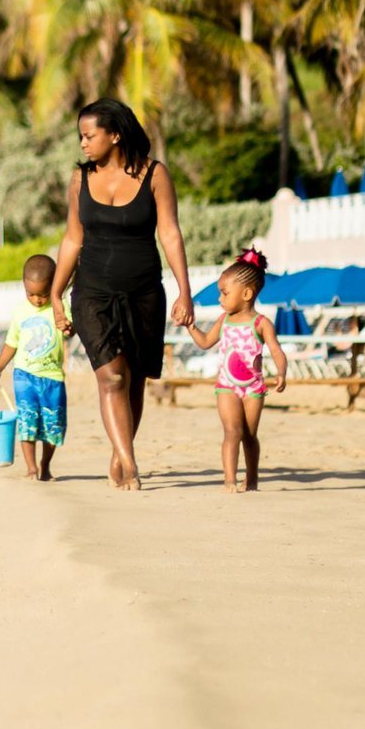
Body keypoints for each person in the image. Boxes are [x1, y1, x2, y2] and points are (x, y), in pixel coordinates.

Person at [49, 98, 195, 491]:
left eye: (89, 135)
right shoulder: (80, 179)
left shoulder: (155, 175)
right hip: (92, 293)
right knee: (112, 376)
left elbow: (170, 233)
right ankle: (130, 463)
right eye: (81, 136)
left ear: (114, 134)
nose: (83, 143)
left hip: (144, 292)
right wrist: (56, 293)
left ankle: (120, 450)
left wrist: (185, 291)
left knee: (134, 381)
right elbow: (72, 239)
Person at [185, 248, 290, 492]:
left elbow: (276, 351)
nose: (220, 299)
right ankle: (230, 479)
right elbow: (205, 342)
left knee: (249, 435)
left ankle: (251, 479)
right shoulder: (224, 321)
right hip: (227, 386)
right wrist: (191, 327)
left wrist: (281, 372)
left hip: (253, 389)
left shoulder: (261, 323)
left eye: (224, 293)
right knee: (232, 432)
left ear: (246, 294)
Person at [0, 254, 65, 481]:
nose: (37, 300)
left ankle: (45, 465)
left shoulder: (60, 307)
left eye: (43, 294)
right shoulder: (20, 311)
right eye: (31, 294)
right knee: (27, 421)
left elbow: (71, 329)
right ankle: (31, 468)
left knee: (53, 424)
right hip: (24, 376)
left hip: (53, 377)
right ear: (24, 286)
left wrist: (69, 327)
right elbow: (11, 343)